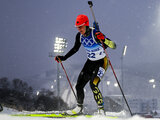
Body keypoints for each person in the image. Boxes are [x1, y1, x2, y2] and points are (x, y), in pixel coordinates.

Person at [55, 14, 116, 115]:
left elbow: (113, 45)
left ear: (86, 25)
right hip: (90, 62)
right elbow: (75, 49)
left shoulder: (95, 33)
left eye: (81, 27)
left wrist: (104, 39)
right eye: (77, 27)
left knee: (93, 84)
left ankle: (101, 110)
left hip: (102, 62)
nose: (79, 29)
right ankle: (79, 108)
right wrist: (63, 58)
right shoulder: (79, 36)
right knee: (79, 85)